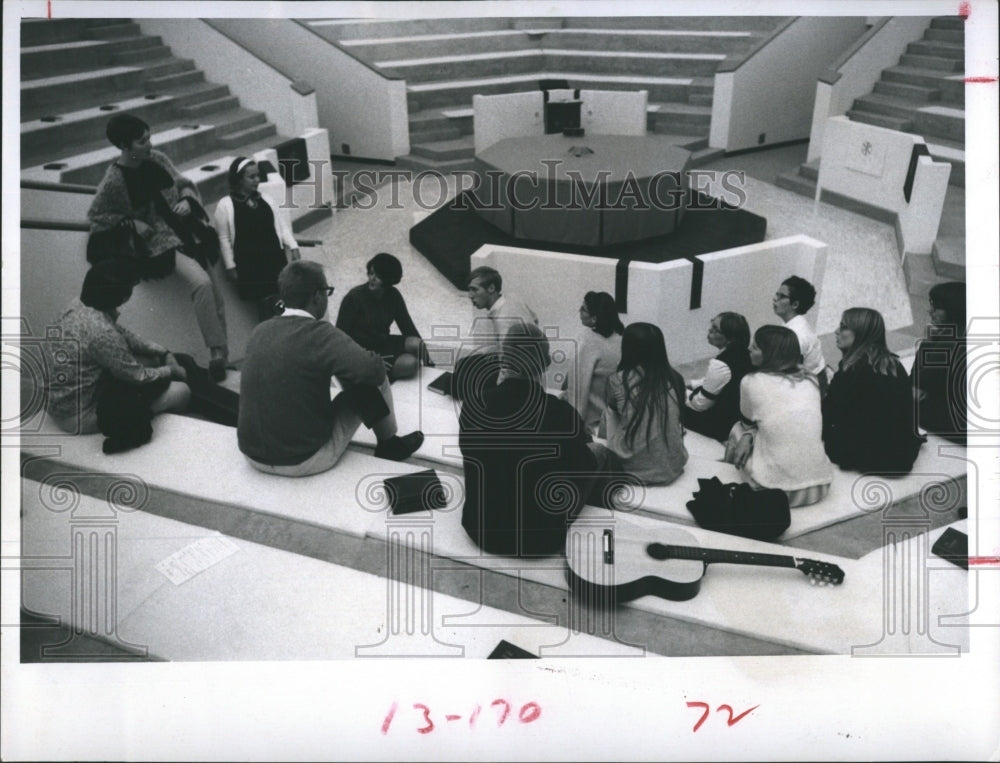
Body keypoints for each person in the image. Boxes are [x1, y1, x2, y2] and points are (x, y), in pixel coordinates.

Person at [238, 261, 424, 477]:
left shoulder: (259, 330)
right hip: (303, 459)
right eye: (328, 292)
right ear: (317, 296)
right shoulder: (322, 334)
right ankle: (390, 444)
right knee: (371, 375)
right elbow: (374, 372)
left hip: (252, 456)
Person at [43, 259, 239, 453]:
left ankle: (218, 396)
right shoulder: (100, 332)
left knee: (179, 362)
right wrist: (170, 370)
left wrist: (163, 352)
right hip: (79, 415)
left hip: (65, 402)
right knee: (183, 390)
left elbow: (123, 335)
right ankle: (236, 411)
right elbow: (138, 376)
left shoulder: (80, 305)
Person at [88, 114, 229, 380]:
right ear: (124, 146)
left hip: (189, 231)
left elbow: (184, 183)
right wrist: (132, 223)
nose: (149, 144)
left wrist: (187, 198)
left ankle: (224, 359)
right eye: (142, 141)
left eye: (149, 137)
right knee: (202, 284)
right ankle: (216, 355)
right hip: (163, 241)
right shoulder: (114, 180)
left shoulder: (158, 159)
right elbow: (98, 216)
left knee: (218, 299)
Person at [459, 323, 596, 556]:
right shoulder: (561, 414)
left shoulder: (473, 404)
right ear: (546, 363)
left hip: (480, 529)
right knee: (597, 454)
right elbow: (583, 468)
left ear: (503, 359)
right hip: (539, 540)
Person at [726, 325, 833, 508]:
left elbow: (746, 422)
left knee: (738, 429)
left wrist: (747, 436)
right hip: (820, 486)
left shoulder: (750, 381)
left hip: (772, 489)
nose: (749, 349)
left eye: (756, 346)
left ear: (769, 354)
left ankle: (727, 470)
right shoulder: (811, 380)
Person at [822, 308, 924, 473]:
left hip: (874, 459)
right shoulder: (892, 363)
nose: (836, 331)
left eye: (843, 327)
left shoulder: (853, 369)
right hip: (901, 456)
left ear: (860, 333)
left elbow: (829, 413)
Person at [588, 322, 688, 485]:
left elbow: (613, 415)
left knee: (610, 414)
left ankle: (608, 449)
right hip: (673, 464)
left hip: (634, 468)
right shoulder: (676, 378)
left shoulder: (619, 380)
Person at [214, 156, 300, 321]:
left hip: (274, 260)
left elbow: (281, 225)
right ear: (238, 179)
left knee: (282, 302)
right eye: (251, 177)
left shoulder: (266, 199)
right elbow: (224, 239)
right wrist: (230, 266)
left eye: (258, 176)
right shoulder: (225, 205)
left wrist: (293, 246)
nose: (257, 180)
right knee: (265, 307)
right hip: (250, 265)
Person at [335, 252, 432, 381]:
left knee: (417, 345)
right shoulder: (353, 298)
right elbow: (340, 338)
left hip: (383, 341)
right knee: (411, 364)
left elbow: (407, 327)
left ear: (389, 279)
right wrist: (366, 359)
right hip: (361, 351)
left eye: (378, 275)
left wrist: (429, 363)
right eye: (371, 273)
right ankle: (376, 373)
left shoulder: (393, 295)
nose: (372, 278)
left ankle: (388, 368)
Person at [452, 266, 538, 401]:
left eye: (474, 289)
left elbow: (508, 363)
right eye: (469, 290)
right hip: (529, 361)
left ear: (491, 289)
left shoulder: (502, 320)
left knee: (460, 382)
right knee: (464, 364)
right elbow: (535, 319)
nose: (470, 295)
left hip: (520, 373)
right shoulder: (513, 298)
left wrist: (499, 390)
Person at [682, 311, 752, 442]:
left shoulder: (721, 364)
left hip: (719, 426)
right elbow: (717, 381)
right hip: (736, 416)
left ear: (729, 337)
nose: (709, 330)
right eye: (711, 325)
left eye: (715, 329)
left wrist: (681, 394)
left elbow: (700, 404)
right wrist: (691, 385)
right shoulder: (745, 354)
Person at [912, 282, 967, 445]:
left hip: (958, 425)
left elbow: (913, 381)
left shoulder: (950, 344)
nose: (930, 312)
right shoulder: (963, 331)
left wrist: (927, 342)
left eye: (936, 308)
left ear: (952, 310)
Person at [564, 291, 623, 435]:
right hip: (613, 415)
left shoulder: (588, 339)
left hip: (592, 420)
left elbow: (579, 388)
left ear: (594, 318)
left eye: (583, 309)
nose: (580, 311)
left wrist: (575, 426)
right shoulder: (621, 337)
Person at [772, 275, 827, 390]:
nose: (775, 299)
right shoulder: (793, 325)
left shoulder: (797, 333)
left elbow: (789, 374)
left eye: (782, 296)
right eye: (777, 294)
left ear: (795, 304)